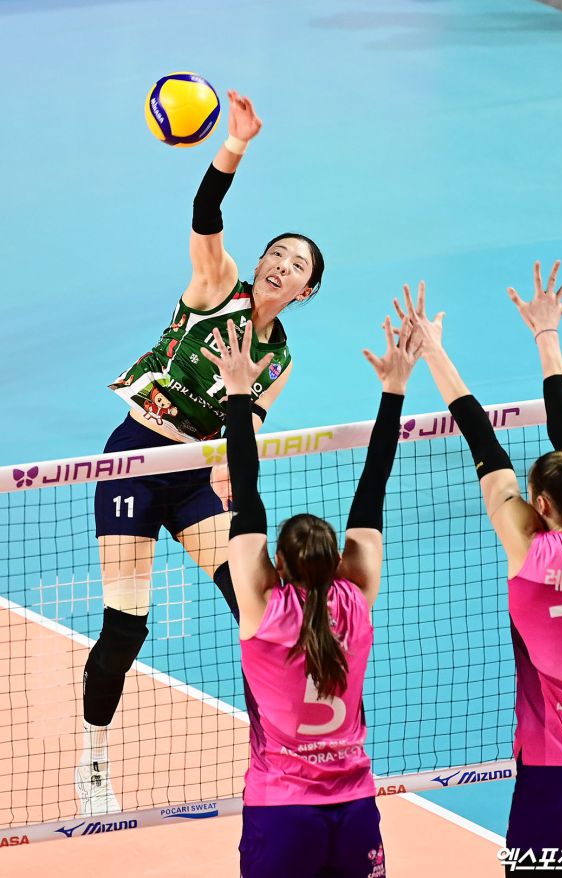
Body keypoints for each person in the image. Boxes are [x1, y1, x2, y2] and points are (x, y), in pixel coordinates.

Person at [77, 89, 325, 816]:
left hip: (192, 478)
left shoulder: (281, 360)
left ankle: (275, 750)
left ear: (307, 290)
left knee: (258, 608)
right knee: (126, 624)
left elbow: (241, 434)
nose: (281, 264)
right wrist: (236, 143)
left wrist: (228, 471)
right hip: (135, 457)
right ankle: (93, 759)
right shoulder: (217, 287)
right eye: (277, 253)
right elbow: (206, 210)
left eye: (297, 264)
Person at [401, 264, 562, 874]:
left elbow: (481, 440)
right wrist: (548, 333)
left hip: (558, 776)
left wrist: (432, 350)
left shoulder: (532, 554)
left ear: (538, 506)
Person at [212, 307, 420, 878]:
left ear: (277, 564)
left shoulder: (262, 607)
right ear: (338, 563)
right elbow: (373, 485)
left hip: (282, 812)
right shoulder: (357, 597)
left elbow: (244, 488)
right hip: (354, 807)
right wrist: (394, 389)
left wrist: (237, 392)